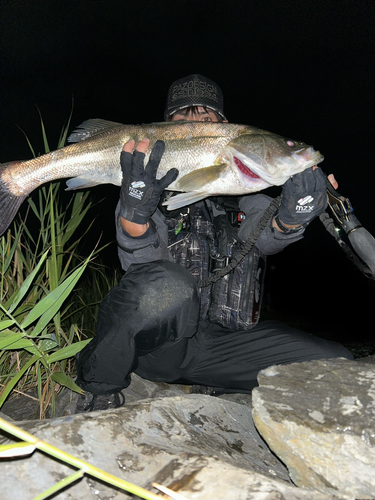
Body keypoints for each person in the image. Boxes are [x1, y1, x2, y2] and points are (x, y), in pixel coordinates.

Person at [75, 74, 353, 412]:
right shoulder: (146, 189)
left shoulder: (248, 197)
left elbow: (268, 236)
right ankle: (100, 386)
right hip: (158, 350)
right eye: (181, 119)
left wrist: (294, 215)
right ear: (166, 126)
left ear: (225, 126)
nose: (194, 125)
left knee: (334, 360)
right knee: (165, 286)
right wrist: (135, 214)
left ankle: (219, 384)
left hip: (220, 348)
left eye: (206, 119)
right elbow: (140, 268)